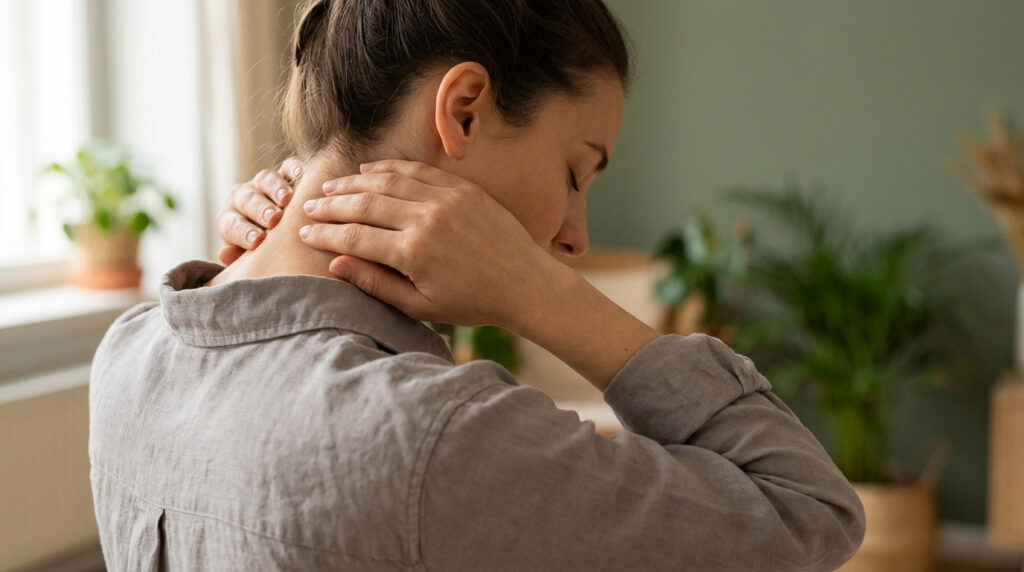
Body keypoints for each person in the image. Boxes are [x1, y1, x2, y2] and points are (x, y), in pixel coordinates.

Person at [89, 0, 865, 570]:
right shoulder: (436, 435)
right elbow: (810, 512)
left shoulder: (128, 356)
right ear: (463, 112)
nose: (575, 236)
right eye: (575, 173)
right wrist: (541, 291)